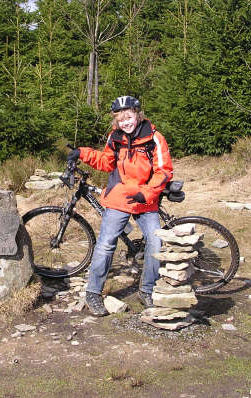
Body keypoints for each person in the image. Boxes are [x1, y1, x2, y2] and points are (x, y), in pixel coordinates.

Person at [67, 95, 173, 316]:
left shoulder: (154, 138)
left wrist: (146, 193)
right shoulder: (115, 138)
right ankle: (93, 293)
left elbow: (164, 171)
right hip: (120, 196)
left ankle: (147, 290)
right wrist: (82, 153)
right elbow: (107, 163)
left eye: (128, 116)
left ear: (137, 114)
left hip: (145, 199)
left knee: (156, 242)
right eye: (120, 119)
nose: (125, 122)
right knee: (106, 244)